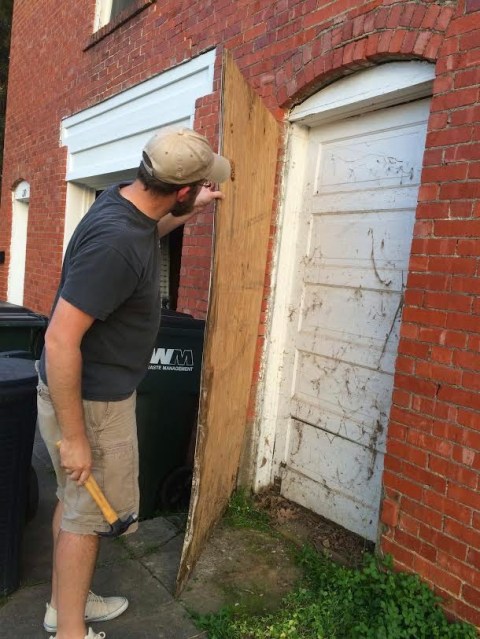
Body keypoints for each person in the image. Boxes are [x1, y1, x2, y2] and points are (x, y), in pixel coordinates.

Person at [36, 127, 231, 639]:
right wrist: (76, 437)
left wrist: (192, 210)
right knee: (86, 520)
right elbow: (59, 340)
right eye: (199, 186)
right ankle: (71, 632)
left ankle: (63, 605)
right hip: (92, 403)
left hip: (84, 395)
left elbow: (149, 231)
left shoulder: (121, 201)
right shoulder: (117, 244)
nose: (202, 190)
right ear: (180, 188)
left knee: (72, 503)